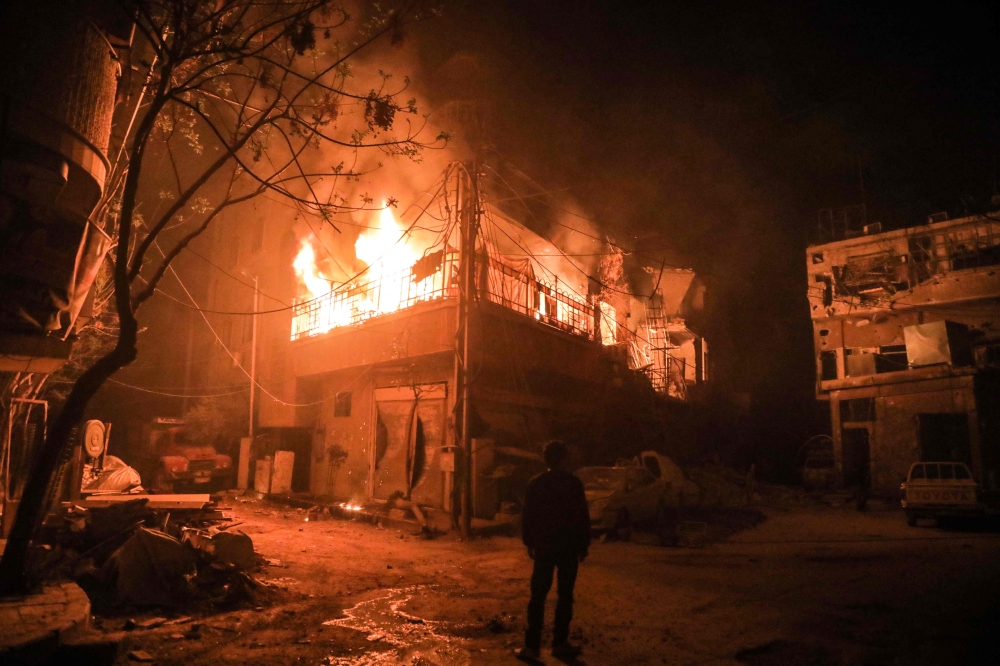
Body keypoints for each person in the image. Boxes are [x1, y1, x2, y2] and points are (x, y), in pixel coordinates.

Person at [517, 440, 591, 661]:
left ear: (545, 459)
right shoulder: (573, 483)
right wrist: (583, 544)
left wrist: (529, 542)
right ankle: (559, 644)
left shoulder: (536, 483)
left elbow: (528, 516)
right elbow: (581, 516)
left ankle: (532, 647)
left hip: (545, 546)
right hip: (568, 546)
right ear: (564, 458)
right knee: (565, 596)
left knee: (538, 596)